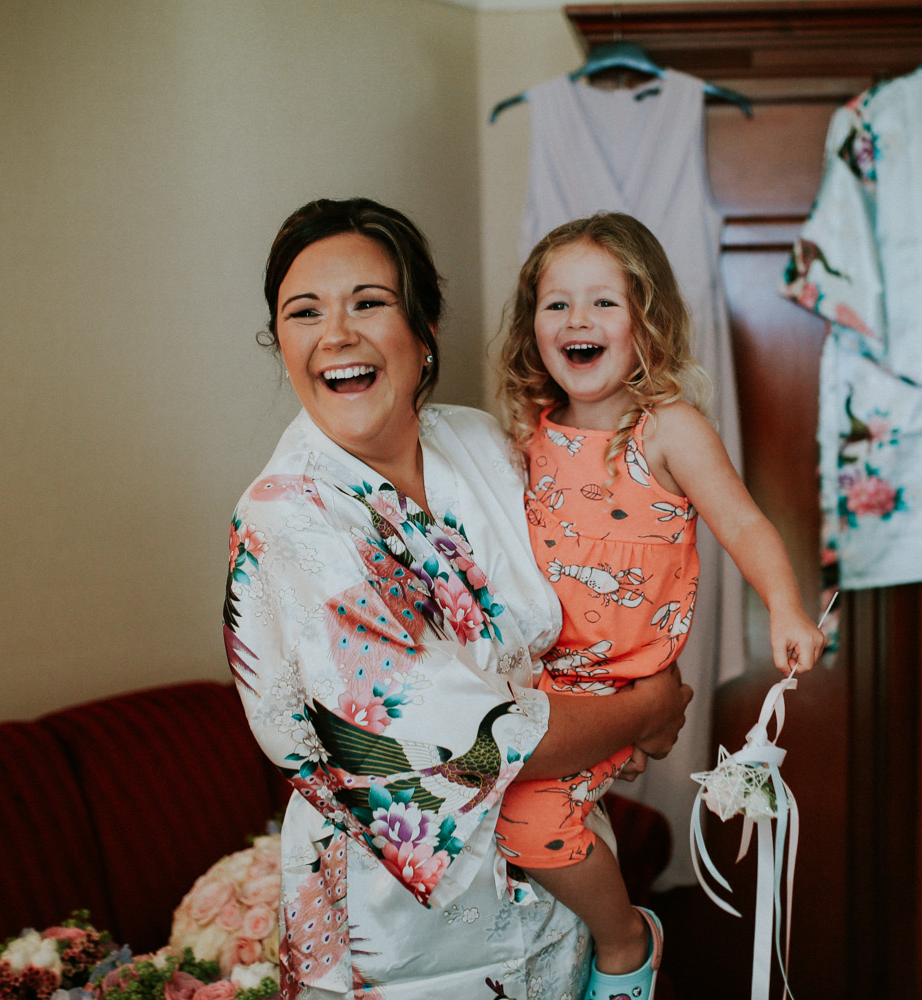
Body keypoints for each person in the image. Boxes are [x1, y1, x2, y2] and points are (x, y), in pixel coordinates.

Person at [225, 198, 693, 1000]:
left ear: (424, 330)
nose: (336, 333)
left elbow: (599, 567)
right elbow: (459, 739)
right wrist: (645, 709)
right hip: (401, 944)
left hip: (554, 888)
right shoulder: (287, 520)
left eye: (368, 303)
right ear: (285, 344)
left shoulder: (478, 443)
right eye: (304, 313)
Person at [493, 212, 828, 1000]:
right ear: (531, 327)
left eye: (605, 303)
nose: (579, 320)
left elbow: (743, 521)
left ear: (649, 321)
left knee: (529, 821)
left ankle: (625, 943)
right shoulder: (523, 441)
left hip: (617, 688)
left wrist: (785, 606)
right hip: (539, 689)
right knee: (499, 812)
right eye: (557, 304)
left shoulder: (667, 432)